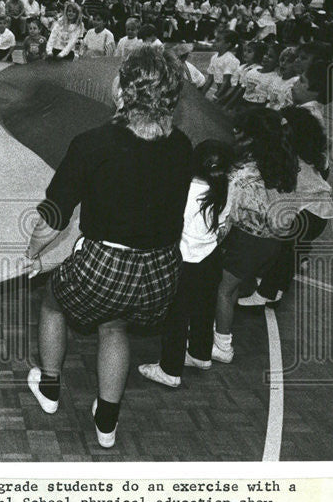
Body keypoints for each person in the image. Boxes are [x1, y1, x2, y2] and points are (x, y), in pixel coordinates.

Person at [24, 47, 193, 447]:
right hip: (162, 271)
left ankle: (49, 388)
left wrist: (32, 254)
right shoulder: (183, 146)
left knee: (52, 301)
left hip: (104, 263)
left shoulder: (92, 143)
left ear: (123, 89)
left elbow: (53, 219)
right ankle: (107, 422)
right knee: (115, 326)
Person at [140, 140, 234, 387]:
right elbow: (225, 224)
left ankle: (170, 370)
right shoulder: (227, 185)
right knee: (204, 307)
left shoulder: (183, 189)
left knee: (176, 316)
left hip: (182, 260)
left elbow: (166, 222)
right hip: (210, 258)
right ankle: (200, 354)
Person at [212, 108, 300, 363]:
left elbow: (227, 215)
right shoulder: (282, 163)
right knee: (234, 286)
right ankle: (219, 329)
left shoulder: (242, 175)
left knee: (223, 291)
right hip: (272, 242)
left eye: (238, 131)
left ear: (249, 138)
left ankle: (223, 344)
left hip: (247, 241)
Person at [239, 105, 333, 306]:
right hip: (319, 212)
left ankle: (266, 293)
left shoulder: (283, 158)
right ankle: (278, 289)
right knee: (290, 253)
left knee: (283, 250)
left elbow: (281, 200)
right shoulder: (302, 153)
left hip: (307, 213)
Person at [200, 30, 239, 103]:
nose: (214, 42)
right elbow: (210, 80)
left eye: (218, 40)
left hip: (229, 93)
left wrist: (215, 97)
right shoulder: (214, 57)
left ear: (227, 44)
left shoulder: (230, 59)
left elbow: (226, 82)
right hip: (220, 90)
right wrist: (201, 95)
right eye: (215, 39)